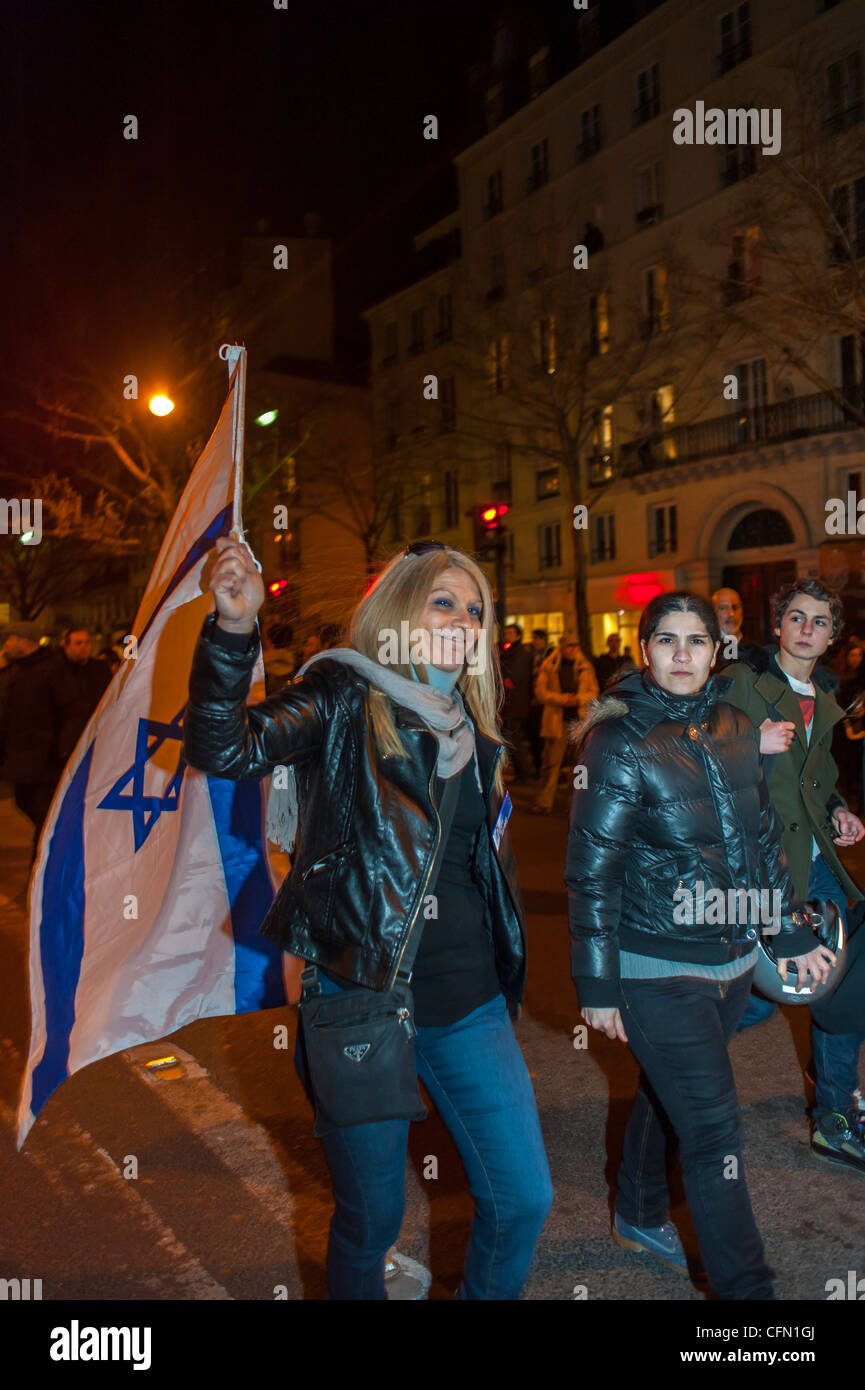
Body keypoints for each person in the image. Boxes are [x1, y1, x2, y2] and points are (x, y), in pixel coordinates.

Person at [183, 535, 553, 1300]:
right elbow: (225, 747)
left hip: (468, 1002)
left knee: (522, 1198)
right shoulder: (344, 696)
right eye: (442, 601)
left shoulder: (474, 733)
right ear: (397, 612)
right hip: (360, 997)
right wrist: (232, 629)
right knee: (370, 1218)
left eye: (475, 609)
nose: (462, 618)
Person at [565, 590, 833, 1300]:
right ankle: (750, 1303)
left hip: (733, 962)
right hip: (655, 969)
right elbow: (591, 870)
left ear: (717, 652)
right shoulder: (616, 740)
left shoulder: (738, 723)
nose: (681, 654)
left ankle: (639, 1209)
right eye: (666, 640)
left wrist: (788, 930)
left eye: (695, 640)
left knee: (667, 1090)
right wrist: (595, 987)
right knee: (715, 1134)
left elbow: (762, 841)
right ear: (643, 650)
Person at [721, 578, 865, 1172]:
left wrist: (837, 811)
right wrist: (748, 744)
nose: (807, 628)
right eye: (796, 618)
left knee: (845, 981)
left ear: (831, 637)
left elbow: (819, 778)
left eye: (820, 621)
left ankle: (834, 1115)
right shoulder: (742, 684)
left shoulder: (824, 700)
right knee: (743, 996)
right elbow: (691, 749)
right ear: (777, 626)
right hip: (760, 864)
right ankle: (680, 1072)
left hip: (814, 863)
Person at [0, 621, 61, 865]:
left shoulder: (52, 668)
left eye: (10, 639)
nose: (6, 644)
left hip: (45, 761)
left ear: (24, 641)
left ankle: (44, 864)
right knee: (25, 803)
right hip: (19, 759)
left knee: (43, 814)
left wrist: (59, 751)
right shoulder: (15, 670)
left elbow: (68, 710)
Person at [529, 633, 598, 815]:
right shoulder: (550, 666)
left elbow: (593, 691)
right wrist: (562, 700)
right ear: (562, 647)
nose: (573, 650)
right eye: (569, 646)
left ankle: (578, 802)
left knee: (579, 765)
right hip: (556, 722)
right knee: (551, 764)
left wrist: (577, 699)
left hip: (578, 722)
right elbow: (540, 692)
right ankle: (544, 801)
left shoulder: (584, 667)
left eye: (575, 646)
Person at [49, 628, 112, 767]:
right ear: (67, 646)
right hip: (68, 743)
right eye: (78, 643)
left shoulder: (99, 668)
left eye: (87, 642)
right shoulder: (55, 671)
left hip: (96, 738)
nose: (84, 646)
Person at [500, 623, 534, 784]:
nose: (507, 635)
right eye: (506, 633)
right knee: (512, 738)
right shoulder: (510, 651)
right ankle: (522, 773)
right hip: (511, 703)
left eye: (511, 633)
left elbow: (514, 678)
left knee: (514, 738)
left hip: (516, 704)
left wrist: (505, 681)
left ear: (518, 636)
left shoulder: (520, 653)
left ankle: (525, 773)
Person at [712, 587, 763, 667]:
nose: (731, 614)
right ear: (713, 612)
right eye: (723, 608)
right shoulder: (708, 650)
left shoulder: (756, 651)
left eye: (735, 607)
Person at [527, 628, 552, 777]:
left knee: (546, 740)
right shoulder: (532, 654)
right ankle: (538, 768)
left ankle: (545, 768)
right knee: (535, 737)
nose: (533, 641)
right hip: (535, 702)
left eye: (536, 638)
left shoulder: (551, 654)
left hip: (546, 702)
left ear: (543, 639)